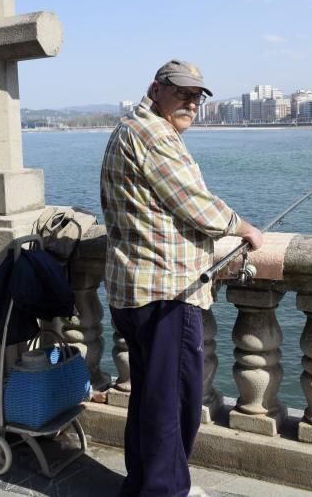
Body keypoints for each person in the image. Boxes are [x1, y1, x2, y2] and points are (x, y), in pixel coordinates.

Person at [100, 59, 263, 497]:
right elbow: (193, 203)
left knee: (151, 399)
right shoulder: (153, 134)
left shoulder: (129, 128)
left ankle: (143, 484)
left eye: (197, 96)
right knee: (174, 404)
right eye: (182, 93)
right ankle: (165, 490)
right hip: (165, 291)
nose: (192, 101)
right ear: (156, 89)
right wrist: (244, 227)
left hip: (134, 287)